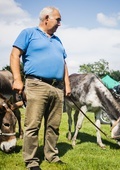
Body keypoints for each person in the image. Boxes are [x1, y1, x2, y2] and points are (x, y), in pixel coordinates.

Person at [10, 6, 71, 170]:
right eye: (58, 20)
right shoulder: (28, 33)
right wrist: (17, 79)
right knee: (33, 125)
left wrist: (67, 85)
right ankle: (31, 161)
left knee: (54, 126)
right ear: (46, 18)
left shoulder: (58, 40)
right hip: (36, 85)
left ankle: (51, 155)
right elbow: (15, 54)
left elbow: (63, 63)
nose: (60, 23)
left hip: (57, 88)